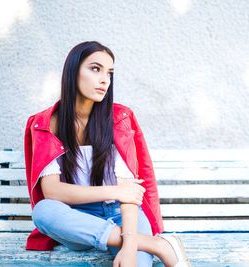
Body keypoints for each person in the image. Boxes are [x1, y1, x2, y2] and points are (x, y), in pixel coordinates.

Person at [24, 41, 192, 267]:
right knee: (43, 211)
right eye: (95, 69)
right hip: (78, 222)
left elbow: (130, 197)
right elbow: (52, 191)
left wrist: (130, 245)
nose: (105, 79)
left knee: (135, 263)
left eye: (109, 73)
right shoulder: (47, 123)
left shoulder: (118, 120)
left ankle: (137, 242)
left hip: (122, 214)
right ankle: (158, 244)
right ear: (73, 71)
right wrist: (116, 191)